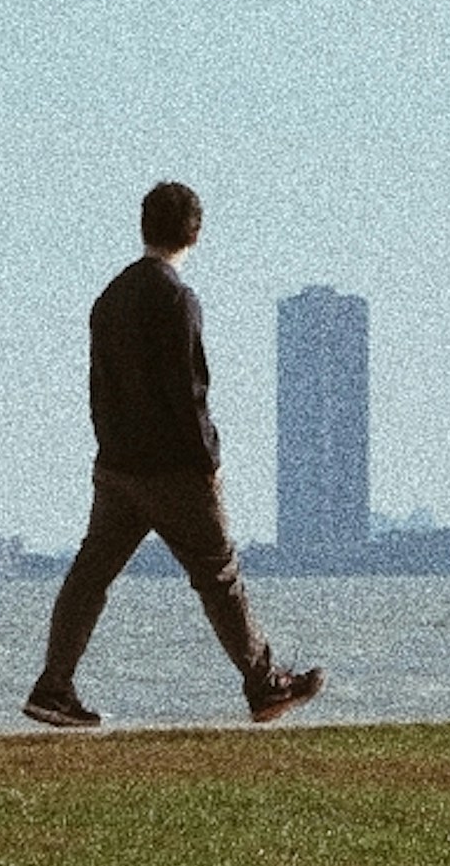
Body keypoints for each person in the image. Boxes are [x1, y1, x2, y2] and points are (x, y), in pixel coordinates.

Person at [24, 180, 323, 730]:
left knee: (90, 575)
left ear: (144, 227)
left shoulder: (109, 299)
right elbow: (189, 391)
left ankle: (53, 686)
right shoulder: (177, 298)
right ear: (195, 232)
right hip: (176, 470)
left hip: (117, 467)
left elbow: (98, 388)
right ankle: (263, 683)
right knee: (219, 576)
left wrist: (108, 449)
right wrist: (207, 459)